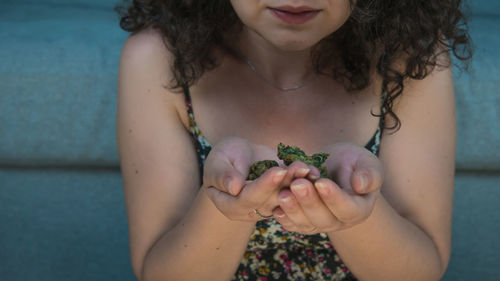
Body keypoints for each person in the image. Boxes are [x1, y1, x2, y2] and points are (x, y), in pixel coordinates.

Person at [115, 1, 471, 280]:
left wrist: (355, 212)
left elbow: (422, 270)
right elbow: (161, 273)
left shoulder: (410, 59)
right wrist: (225, 207)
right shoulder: (158, 59)